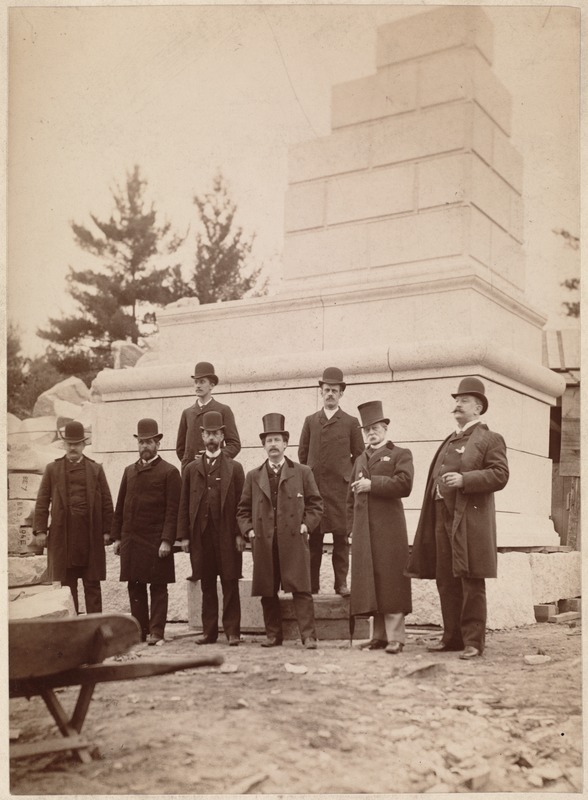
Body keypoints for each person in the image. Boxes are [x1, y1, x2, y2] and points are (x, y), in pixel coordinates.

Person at [405, 377, 509, 660]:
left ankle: (474, 642)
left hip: (468, 519)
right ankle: (451, 638)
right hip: (441, 515)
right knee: (445, 578)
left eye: (464, 400)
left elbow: (500, 475)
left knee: (470, 578)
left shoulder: (490, 438)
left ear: (478, 407)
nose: (457, 404)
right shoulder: (450, 439)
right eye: (456, 400)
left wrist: (464, 479)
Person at [237, 413, 324, 649]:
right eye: (269, 441)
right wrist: (250, 531)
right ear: (264, 446)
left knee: (301, 589)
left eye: (277, 440)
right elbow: (242, 510)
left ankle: (308, 636)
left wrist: (306, 525)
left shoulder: (303, 472)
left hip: (294, 540)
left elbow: (317, 504)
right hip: (265, 541)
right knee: (268, 590)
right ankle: (273, 635)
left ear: (286, 443)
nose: (273, 445)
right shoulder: (253, 476)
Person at [347, 401, 414, 654]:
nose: (371, 433)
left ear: (385, 428)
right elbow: (348, 498)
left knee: (391, 579)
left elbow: (404, 484)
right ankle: (378, 636)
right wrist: (350, 528)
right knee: (371, 581)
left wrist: (372, 484)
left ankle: (396, 637)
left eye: (375, 427)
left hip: (390, 531)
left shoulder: (400, 454)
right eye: (367, 429)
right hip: (364, 531)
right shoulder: (360, 459)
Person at [177, 411, 246, 646]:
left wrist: (240, 534)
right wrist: (184, 537)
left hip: (227, 535)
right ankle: (209, 632)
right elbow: (183, 504)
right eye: (208, 434)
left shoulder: (235, 468)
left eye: (216, 433)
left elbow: (241, 505)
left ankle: (233, 632)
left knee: (230, 582)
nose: (212, 438)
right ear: (202, 436)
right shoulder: (191, 469)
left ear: (223, 435)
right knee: (207, 584)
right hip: (201, 536)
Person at [111, 418, 181, 645]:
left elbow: (173, 510)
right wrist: (117, 538)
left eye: (149, 442)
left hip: (156, 541)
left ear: (158, 444)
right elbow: (120, 506)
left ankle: (157, 633)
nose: (145, 446)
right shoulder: (129, 471)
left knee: (158, 588)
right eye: (141, 442)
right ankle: (140, 632)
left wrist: (167, 540)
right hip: (132, 539)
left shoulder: (169, 472)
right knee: (135, 586)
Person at [32, 421, 113, 614]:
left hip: (90, 536)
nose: (73, 447)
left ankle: (95, 631)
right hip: (64, 537)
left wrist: (108, 531)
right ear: (64, 444)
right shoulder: (53, 469)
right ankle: (73, 630)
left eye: (77, 443)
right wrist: (40, 530)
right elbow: (42, 501)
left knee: (92, 585)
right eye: (69, 443)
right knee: (68, 588)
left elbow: (107, 503)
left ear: (84, 445)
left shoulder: (96, 469)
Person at [298, 367, 364, 596]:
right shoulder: (310, 421)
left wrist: (349, 478)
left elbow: (360, 456)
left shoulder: (351, 422)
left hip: (340, 492)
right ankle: (312, 585)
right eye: (326, 390)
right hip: (315, 491)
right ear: (321, 392)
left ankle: (341, 584)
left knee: (341, 541)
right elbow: (302, 455)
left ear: (341, 394)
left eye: (334, 390)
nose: (330, 394)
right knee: (314, 542)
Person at [176, 361, 241, 471]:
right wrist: (189, 462)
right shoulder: (187, 413)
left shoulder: (223, 410)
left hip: (217, 469)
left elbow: (234, 444)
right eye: (196, 382)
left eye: (202, 382)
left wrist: (214, 456)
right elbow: (180, 448)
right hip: (192, 470)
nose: (198, 385)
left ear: (211, 385)